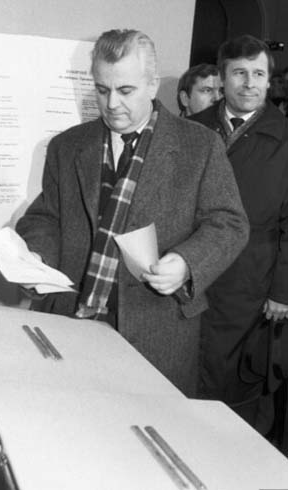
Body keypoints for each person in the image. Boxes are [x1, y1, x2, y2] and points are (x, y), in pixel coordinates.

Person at [16, 29, 249, 397]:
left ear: (152, 84)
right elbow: (46, 217)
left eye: (125, 91)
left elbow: (230, 224)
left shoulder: (200, 146)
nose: (111, 104)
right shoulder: (67, 146)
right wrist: (35, 257)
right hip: (72, 322)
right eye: (102, 89)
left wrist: (187, 262)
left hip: (158, 335)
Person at [190, 34, 288, 431]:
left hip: (252, 281)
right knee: (190, 373)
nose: (250, 83)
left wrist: (283, 291)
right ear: (223, 78)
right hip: (194, 271)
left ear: (269, 81)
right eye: (240, 73)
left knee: (238, 386)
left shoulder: (284, 138)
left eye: (259, 74)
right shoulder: (191, 130)